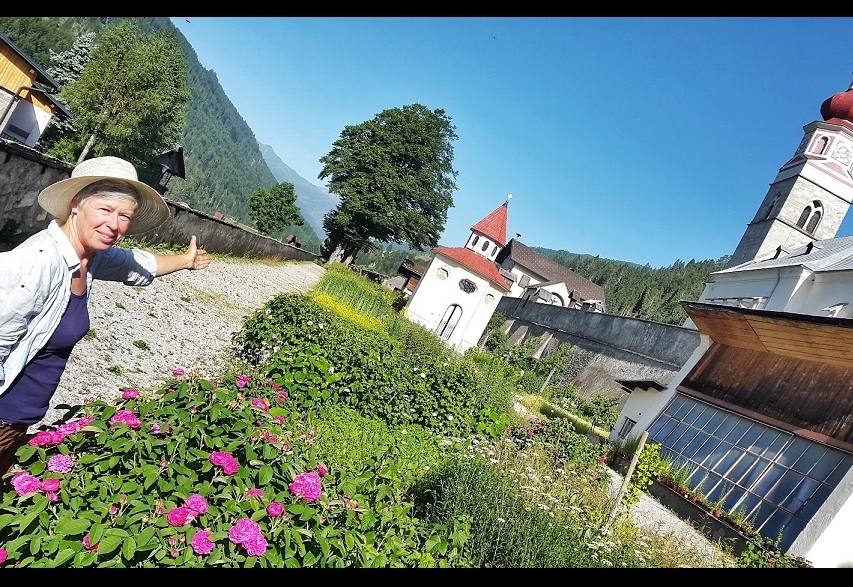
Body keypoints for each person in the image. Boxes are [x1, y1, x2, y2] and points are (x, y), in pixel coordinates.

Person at [0, 155, 211, 477]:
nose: (114, 224)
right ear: (75, 205)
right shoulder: (39, 262)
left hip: (18, 419)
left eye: (124, 216)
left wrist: (185, 260)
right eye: (105, 210)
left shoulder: (90, 258)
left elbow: (135, 264)